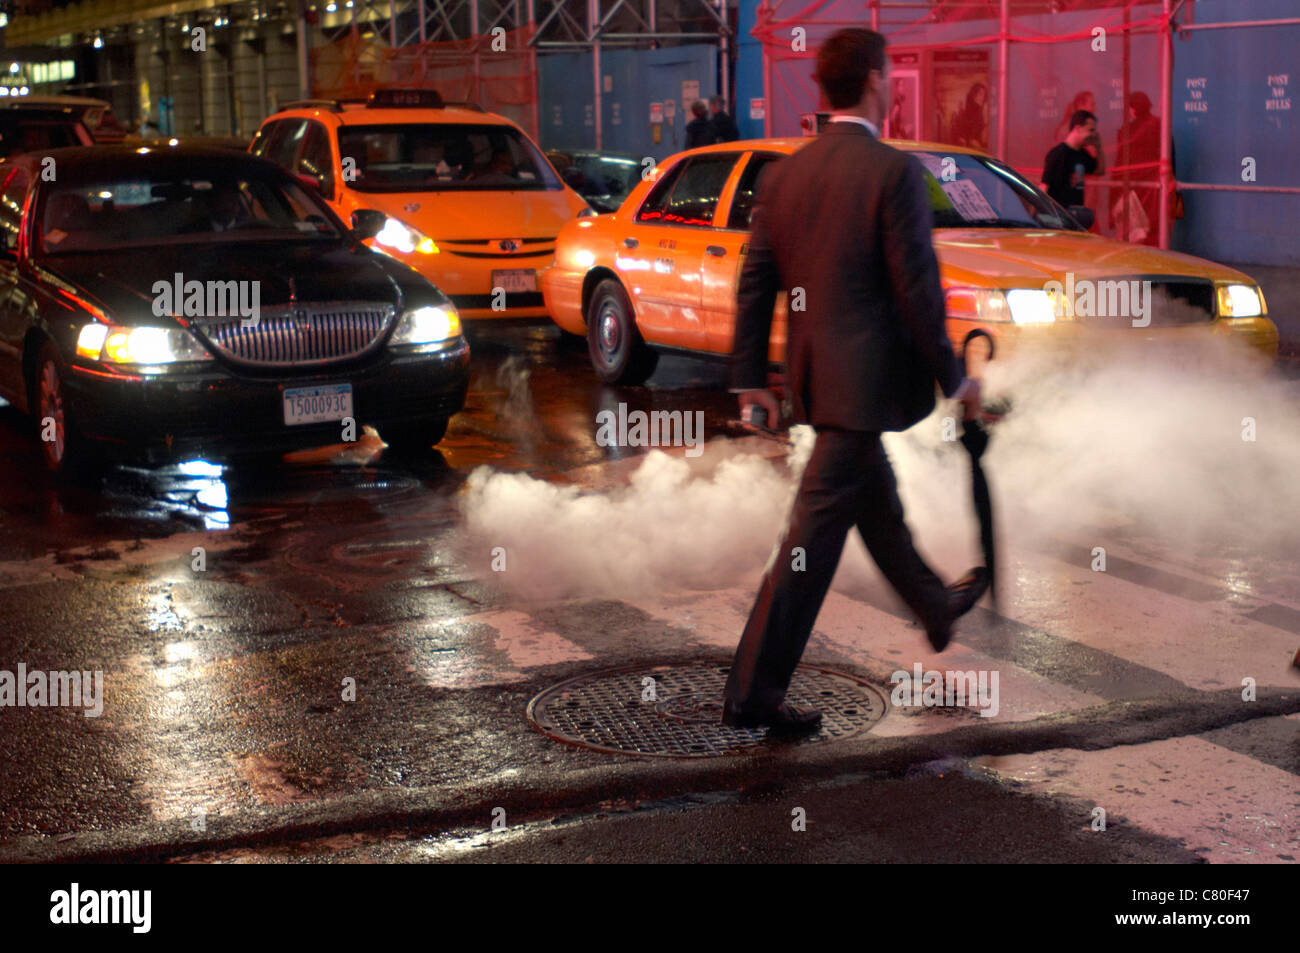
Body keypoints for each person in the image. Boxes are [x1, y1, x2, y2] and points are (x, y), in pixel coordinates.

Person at [722, 27, 990, 736]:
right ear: (875, 79)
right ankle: (752, 694)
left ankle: (935, 607)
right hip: (865, 387)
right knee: (806, 545)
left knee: (874, 504)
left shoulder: (786, 173)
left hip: (821, 382)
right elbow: (917, 291)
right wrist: (956, 379)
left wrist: (751, 378)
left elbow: (755, 285)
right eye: (890, 73)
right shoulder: (892, 171)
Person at [1111, 91, 1163, 246]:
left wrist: (1114, 195)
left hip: (1133, 188)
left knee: (1135, 233)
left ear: (1133, 108)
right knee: (1154, 231)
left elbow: (1120, 163)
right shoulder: (1159, 125)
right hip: (1155, 186)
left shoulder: (1128, 131)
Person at [1040, 110, 1100, 211]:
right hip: (1058, 216)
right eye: (1090, 130)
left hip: (1075, 216)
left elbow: (1095, 169)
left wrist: (1095, 151)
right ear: (1078, 128)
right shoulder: (1058, 154)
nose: (1093, 135)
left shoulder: (1083, 155)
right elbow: (1044, 186)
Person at [949, 82, 988, 149]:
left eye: (984, 95)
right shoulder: (971, 112)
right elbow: (969, 138)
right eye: (980, 94)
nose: (983, 98)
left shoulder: (979, 110)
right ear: (974, 96)